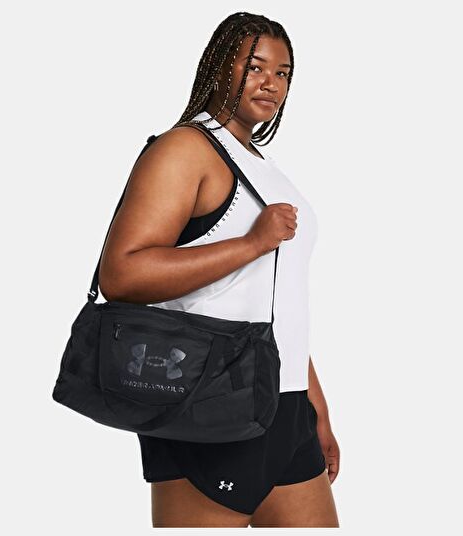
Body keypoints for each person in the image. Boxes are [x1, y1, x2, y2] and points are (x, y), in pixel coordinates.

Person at [98, 11, 340, 528]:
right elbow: (122, 275)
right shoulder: (185, 149)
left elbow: (277, 298)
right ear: (218, 66)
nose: (270, 83)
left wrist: (315, 406)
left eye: (282, 72)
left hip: (285, 405)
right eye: (255, 66)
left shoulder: (261, 167)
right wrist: (252, 243)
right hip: (206, 402)